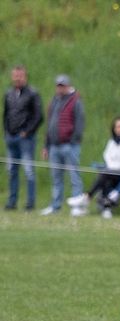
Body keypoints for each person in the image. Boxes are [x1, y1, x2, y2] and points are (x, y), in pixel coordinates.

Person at [70, 116, 120, 219]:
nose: (119, 129)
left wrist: (114, 167)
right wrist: (112, 167)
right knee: (106, 179)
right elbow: (107, 155)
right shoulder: (112, 141)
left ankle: (87, 197)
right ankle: (106, 208)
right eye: (117, 127)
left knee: (105, 174)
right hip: (111, 171)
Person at [41, 75, 85, 216]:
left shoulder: (75, 101)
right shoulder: (54, 101)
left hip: (70, 146)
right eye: (58, 86)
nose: (60, 88)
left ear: (68, 86)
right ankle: (55, 206)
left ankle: (77, 206)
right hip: (54, 146)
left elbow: (80, 123)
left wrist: (73, 141)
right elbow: (49, 125)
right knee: (56, 178)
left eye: (62, 85)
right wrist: (46, 145)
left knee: (74, 177)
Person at [3, 64, 43, 211]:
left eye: (20, 76)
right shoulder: (9, 94)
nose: (17, 79)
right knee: (12, 171)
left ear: (25, 77)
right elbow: (6, 114)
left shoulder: (33, 94)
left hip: (26, 139)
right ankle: (12, 202)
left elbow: (38, 116)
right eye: (15, 76)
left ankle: (30, 203)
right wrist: (6, 131)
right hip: (11, 137)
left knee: (28, 171)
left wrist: (27, 131)